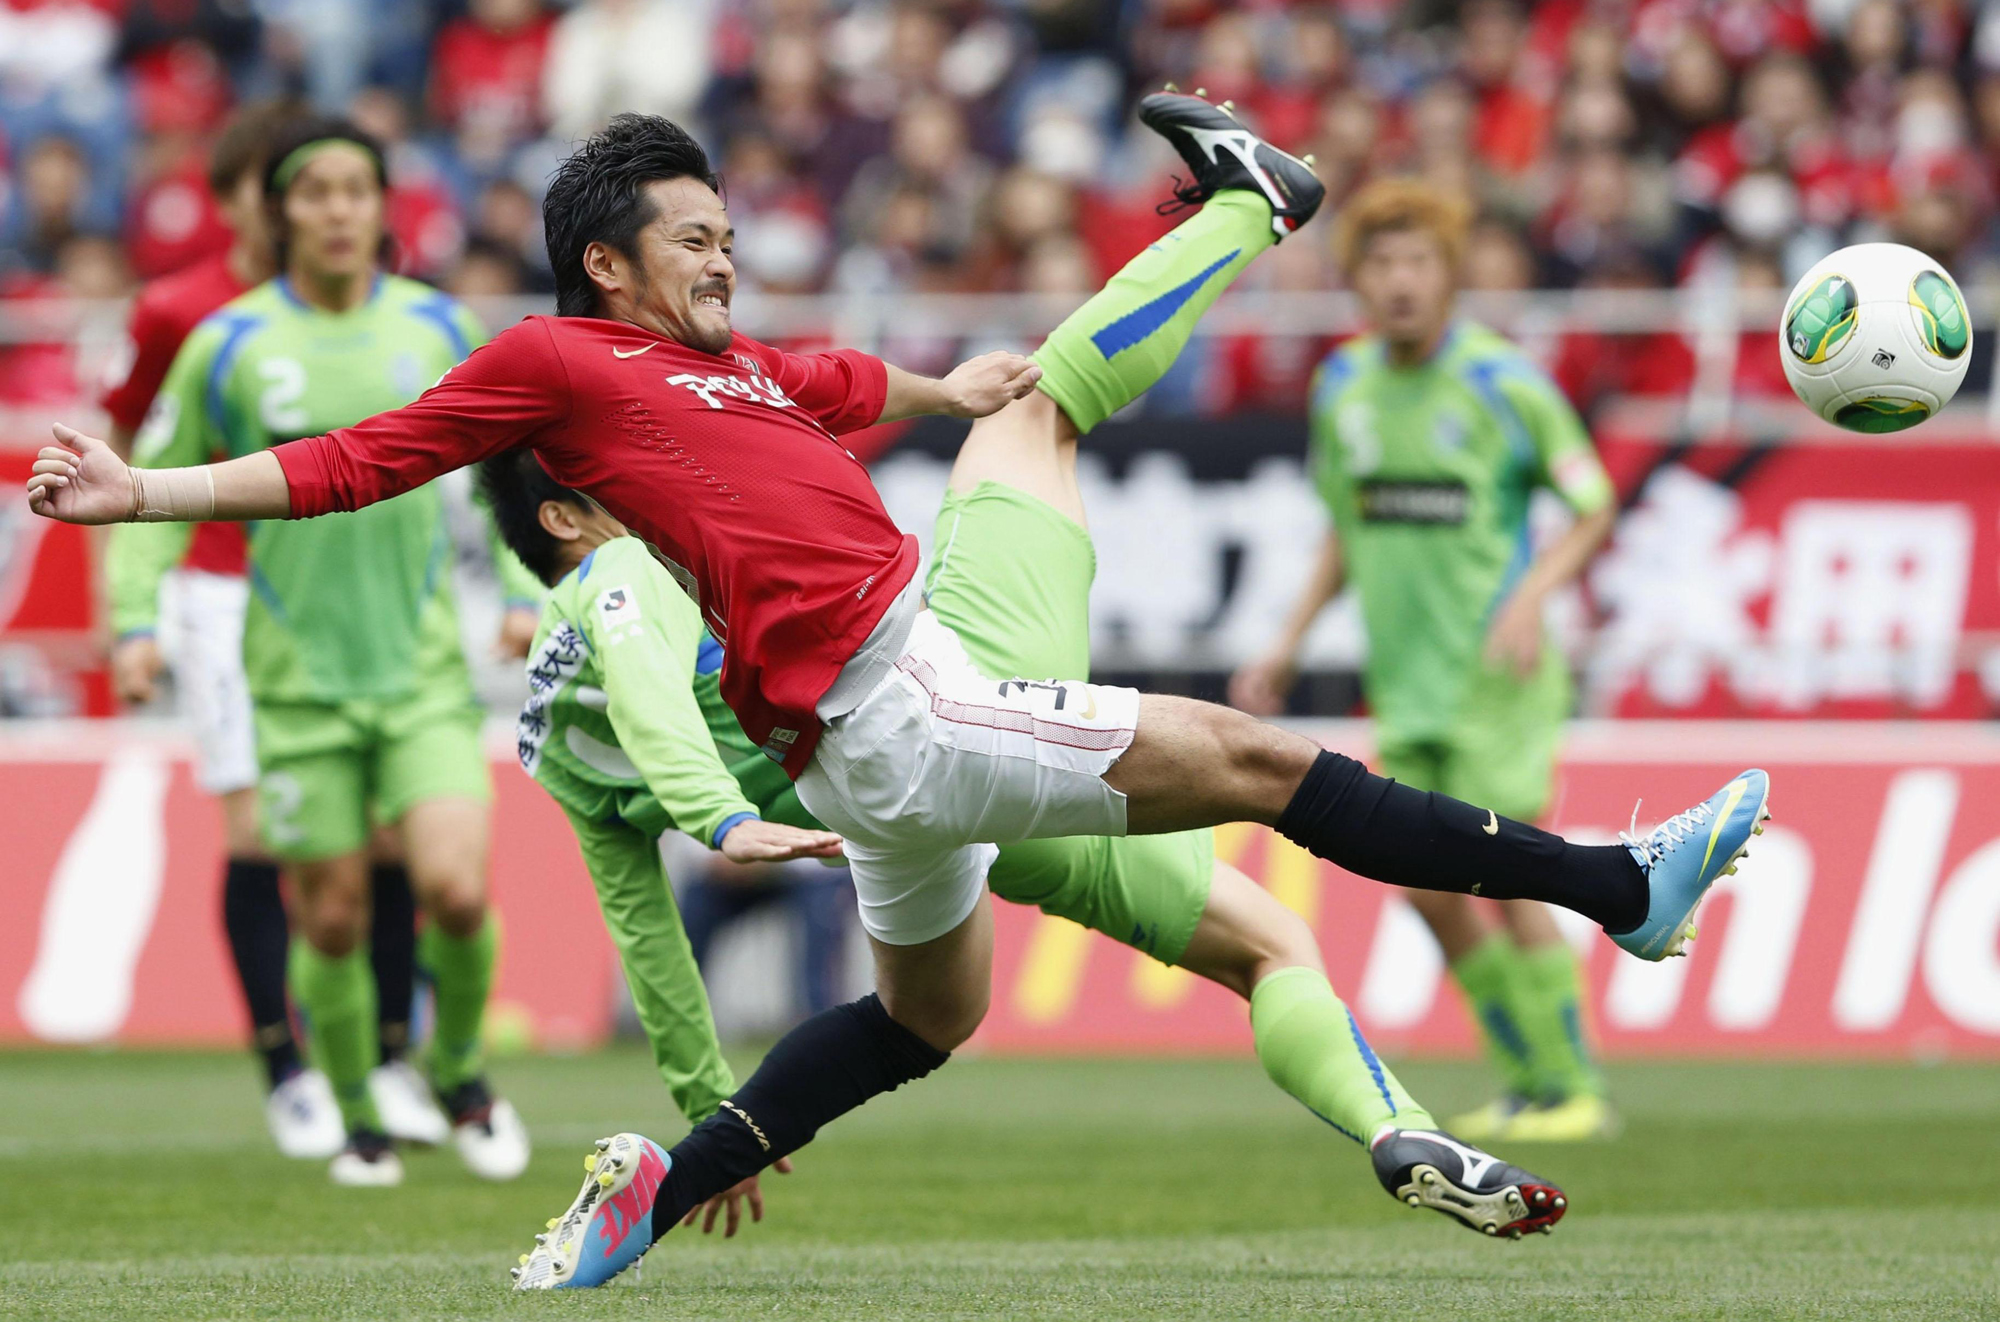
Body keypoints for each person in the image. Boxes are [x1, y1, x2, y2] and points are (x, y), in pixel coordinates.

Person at [29, 99, 1770, 1281]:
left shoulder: (725, 369)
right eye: (693, 238)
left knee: (930, 1016)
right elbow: (354, 461)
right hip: (897, 702)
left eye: (727, 231)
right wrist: (143, 495)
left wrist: (948, 385)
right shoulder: (559, 364)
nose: (726, 256)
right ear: (609, 269)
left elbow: (834, 371)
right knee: (1247, 753)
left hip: (879, 741)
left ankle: (663, 1184)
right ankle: (1619, 887)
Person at [99, 115, 543, 1187]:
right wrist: (135, 621)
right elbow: (151, 487)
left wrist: (528, 585)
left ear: (384, 205)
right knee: (332, 912)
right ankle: (356, 1117)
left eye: (358, 189)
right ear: (279, 212)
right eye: (316, 192)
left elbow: (509, 471)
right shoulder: (231, 343)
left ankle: (463, 1072)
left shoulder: (438, 326)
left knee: (457, 889)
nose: (339, 210)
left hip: (424, 670)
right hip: (295, 680)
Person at [1230, 179, 1619, 1143]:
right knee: (1424, 886)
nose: (1401, 282)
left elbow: (1593, 502)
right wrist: (1283, 641)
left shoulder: (1505, 383)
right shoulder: (1343, 387)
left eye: (1420, 263)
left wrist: (1533, 596)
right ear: (1356, 279)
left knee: (1517, 870)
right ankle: (1528, 1077)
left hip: (1497, 682)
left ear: (1451, 275)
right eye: (1382, 264)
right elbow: (1342, 530)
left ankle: (1575, 1087)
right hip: (1403, 681)